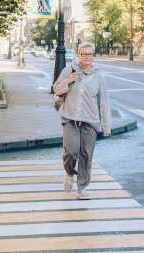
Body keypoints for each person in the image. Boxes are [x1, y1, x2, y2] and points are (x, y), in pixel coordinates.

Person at [53, 42, 111, 200]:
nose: (87, 57)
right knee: (71, 151)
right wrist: (68, 81)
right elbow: (56, 89)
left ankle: (82, 187)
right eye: (84, 54)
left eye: (90, 54)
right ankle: (70, 173)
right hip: (70, 117)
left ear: (94, 56)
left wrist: (105, 125)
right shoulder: (69, 70)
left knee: (86, 154)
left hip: (90, 120)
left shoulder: (98, 75)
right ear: (78, 55)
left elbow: (104, 101)